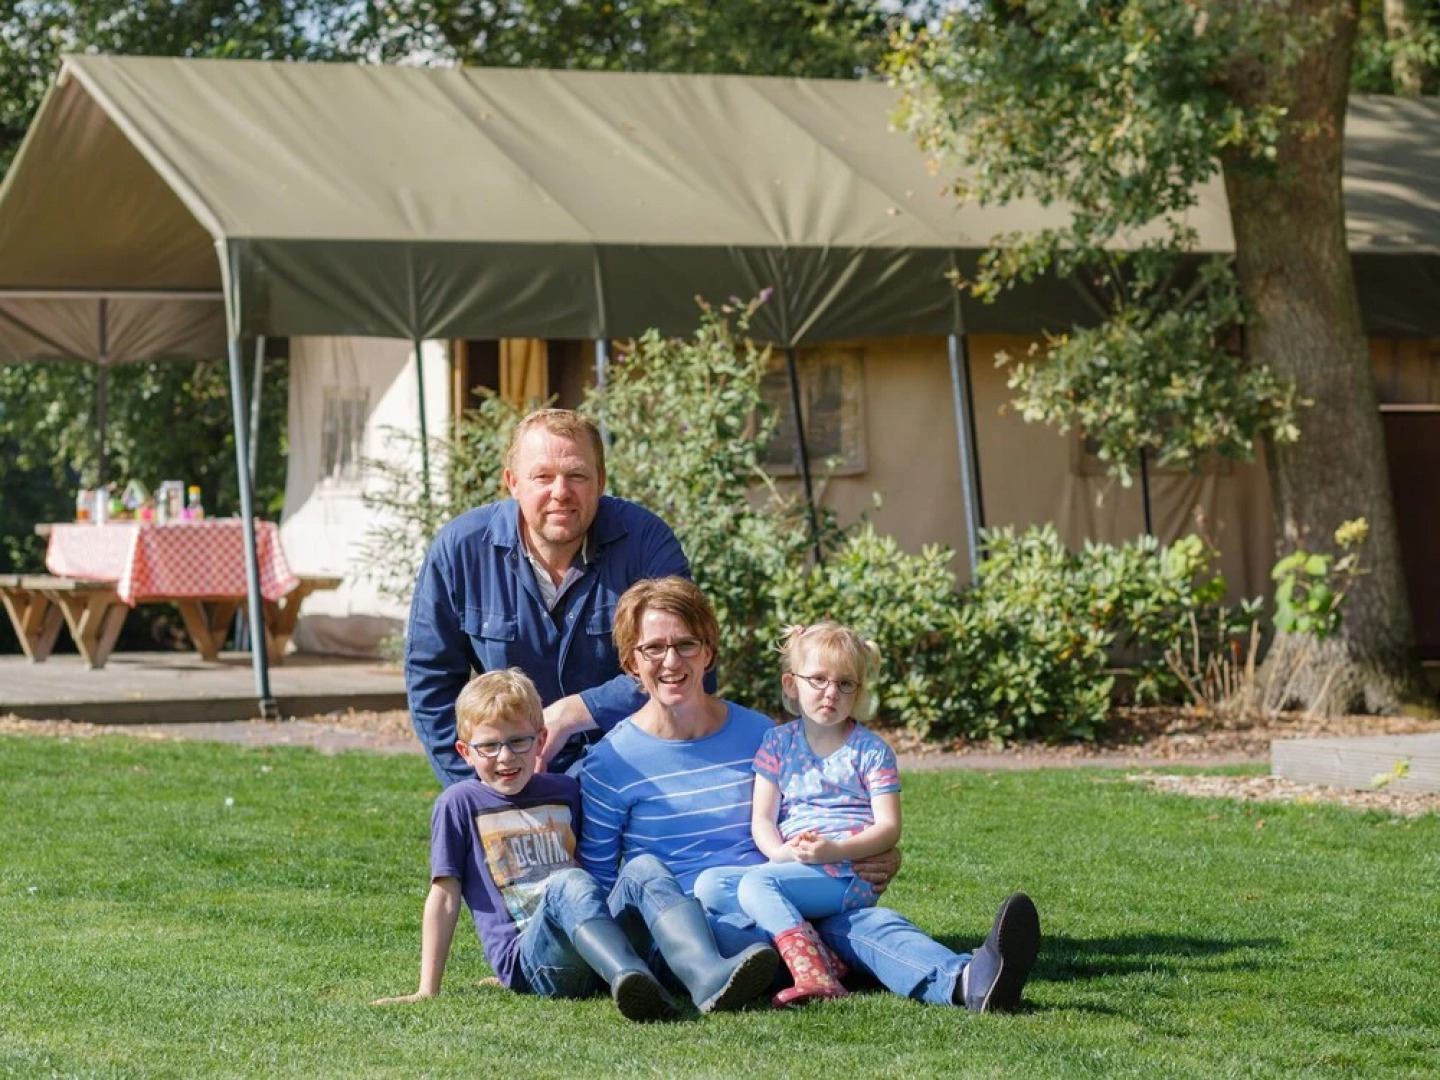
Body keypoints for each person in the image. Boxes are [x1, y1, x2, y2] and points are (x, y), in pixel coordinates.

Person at [577, 577, 1042, 1014]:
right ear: (631, 662)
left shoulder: (760, 734)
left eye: (685, 645)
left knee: (869, 925)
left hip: (786, 890)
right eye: (654, 648)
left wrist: (881, 854)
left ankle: (968, 981)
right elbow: (600, 885)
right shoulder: (611, 762)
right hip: (695, 927)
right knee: (780, 933)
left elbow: (816, 810)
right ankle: (807, 960)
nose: (671, 661)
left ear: (708, 653)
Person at [373, 668, 772, 1018]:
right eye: (489, 746)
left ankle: (706, 975)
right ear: (465, 752)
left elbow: (598, 864)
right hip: (533, 961)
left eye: (519, 742)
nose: (505, 757)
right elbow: (444, 896)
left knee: (643, 867)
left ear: (542, 738)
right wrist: (428, 988)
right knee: (568, 882)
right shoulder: (459, 803)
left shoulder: (565, 790)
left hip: (592, 940)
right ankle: (630, 981)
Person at [405, 408, 694, 785]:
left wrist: (576, 711)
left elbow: (687, 663)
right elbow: (431, 682)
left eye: (576, 475)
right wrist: (480, 790)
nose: (560, 492)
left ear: (601, 480)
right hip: (511, 777)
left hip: (631, 772)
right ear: (512, 482)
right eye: (542, 477)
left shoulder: (646, 544)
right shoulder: (460, 551)